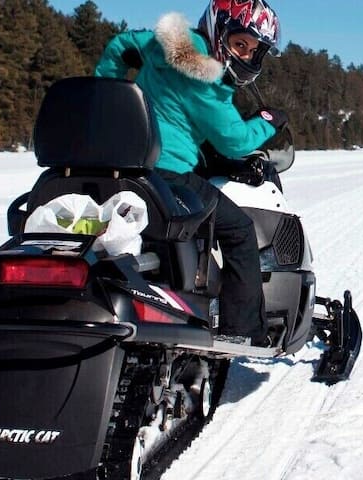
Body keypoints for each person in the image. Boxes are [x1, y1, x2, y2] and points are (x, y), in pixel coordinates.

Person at [94, 0, 286, 347]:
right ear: (218, 30)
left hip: (122, 164)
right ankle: (242, 330)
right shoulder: (204, 75)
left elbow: (120, 45)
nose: (244, 55)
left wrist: (108, 95)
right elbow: (234, 141)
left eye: (253, 50)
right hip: (167, 173)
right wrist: (269, 122)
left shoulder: (163, 44)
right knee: (239, 230)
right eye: (239, 43)